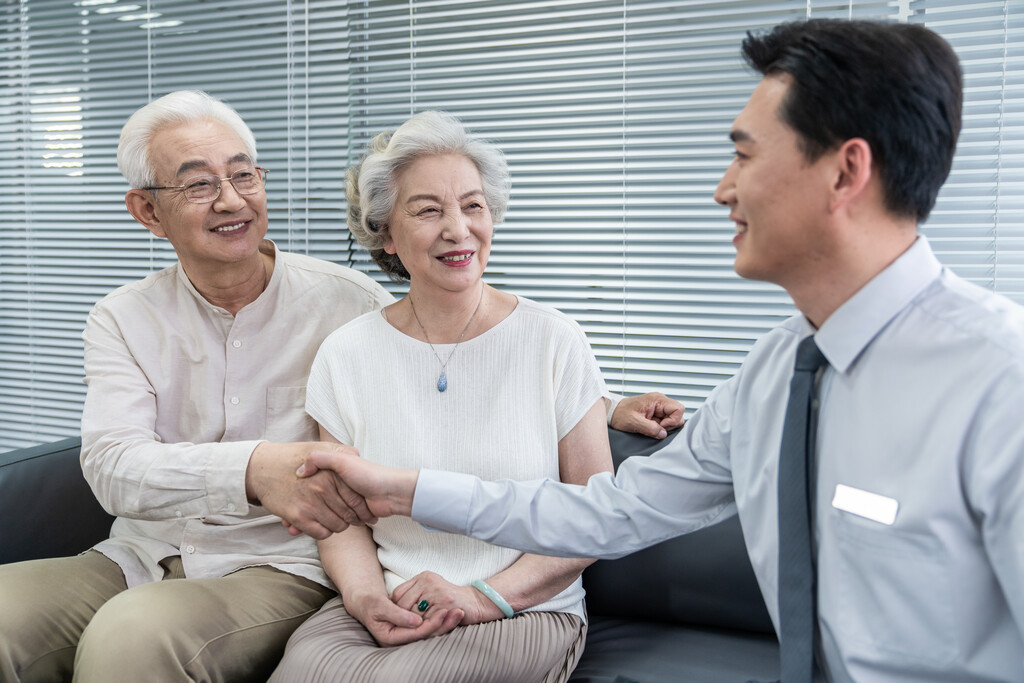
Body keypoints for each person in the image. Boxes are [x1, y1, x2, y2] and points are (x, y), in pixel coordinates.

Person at [303, 19, 1024, 683]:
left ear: (845, 171)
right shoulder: (775, 373)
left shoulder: (1000, 380)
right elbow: (611, 511)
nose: (721, 189)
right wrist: (407, 490)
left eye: (744, 155)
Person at [0, 91, 677, 682]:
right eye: (201, 183)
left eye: (244, 175)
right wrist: (262, 476)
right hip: (155, 551)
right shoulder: (142, 319)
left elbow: (497, 358)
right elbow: (114, 467)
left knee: (132, 639)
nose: (233, 199)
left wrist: (601, 402)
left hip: (294, 564)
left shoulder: (341, 302)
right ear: (148, 212)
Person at [269, 111, 615, 683]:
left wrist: (479, 595)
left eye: (473, 206)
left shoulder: (554, 338)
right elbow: (341, 519)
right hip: (390, 598)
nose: (458, 229)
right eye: (428, 210)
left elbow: (593, 517)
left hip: (519, 608)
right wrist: (364, 599)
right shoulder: (346, 353)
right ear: (385, 232)